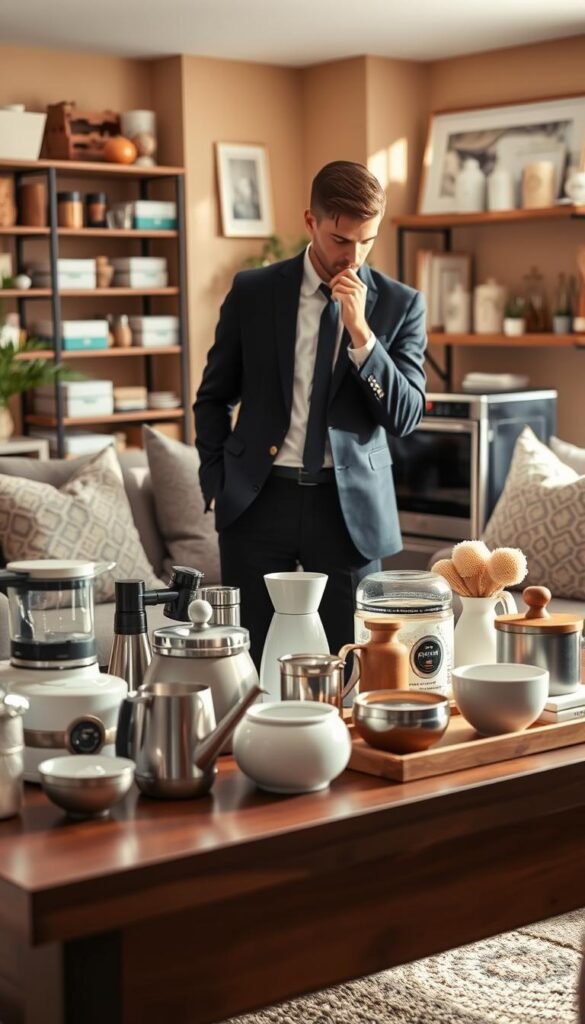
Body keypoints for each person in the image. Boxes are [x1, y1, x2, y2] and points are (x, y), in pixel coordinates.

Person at [194, 160, 427, 668]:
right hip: (258, 500)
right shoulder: (254, 292)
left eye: (368, 241)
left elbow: (406, 417)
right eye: (342, 239)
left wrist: (363, 337)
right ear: (310, 222)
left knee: (353, 664)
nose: (355, 256)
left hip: (349, 513)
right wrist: (214, 479)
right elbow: (213, 397)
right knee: (249, 663)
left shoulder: (400, 305)